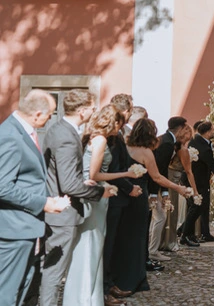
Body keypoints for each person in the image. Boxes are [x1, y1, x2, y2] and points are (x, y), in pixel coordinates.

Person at [63, 105, 142, 306]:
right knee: (91, 245)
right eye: (119, 123)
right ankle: (83, 297)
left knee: (94, 245)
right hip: (96, 195)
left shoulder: (93, 137)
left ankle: (88, 295)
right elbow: (94, 175)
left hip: (99, 195)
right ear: (113, 122)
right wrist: (126, 174)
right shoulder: (100, 140)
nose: (120, 127)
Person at [40, 90, 109, 306]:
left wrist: (81, 181)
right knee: (54, 273)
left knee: (51, 270)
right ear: (81, 111)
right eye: (91, 106)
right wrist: (99, 192)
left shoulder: (59, 129)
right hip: (63, 215)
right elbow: (68, 185)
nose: (94, 110)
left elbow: (65, 175)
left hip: (59, 209)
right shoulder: (67, 137)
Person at [0, 89, 68, 306]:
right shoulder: (10, 136)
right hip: (14, 229)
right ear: (38, 114)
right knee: (7, 291)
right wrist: (44, 203)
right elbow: (2, 186)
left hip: (27, 226)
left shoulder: (22, 131)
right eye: (50, 114)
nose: (50, 119)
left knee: (22, 286)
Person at [111, 119, 188, 294]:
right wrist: (178, 188)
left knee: (123, 238)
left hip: (123, 194)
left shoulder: (124, 148)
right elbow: (157, 177)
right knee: (138, 238)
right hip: (138, 198)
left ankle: (118, 277)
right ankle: (134, 279)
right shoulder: (146, 152)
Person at [103, 97, 147, 299]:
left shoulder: (119, 133)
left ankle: (110, 282)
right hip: (113, 196)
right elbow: (115, 168)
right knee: (108, 244)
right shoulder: (112, 136)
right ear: (127, 111)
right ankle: (105, 287)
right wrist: (129, 187)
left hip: (118, 196)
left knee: (113, 243)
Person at [149, 117, 189, 262]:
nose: (185, 132)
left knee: (158, 217)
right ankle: (152, 250)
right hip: (153, 185)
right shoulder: (166, 143)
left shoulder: (167, 140)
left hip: (157, 185)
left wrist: (164, 192)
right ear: (179, 129)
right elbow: (159, 169)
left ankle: (151, 249)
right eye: (185, 129)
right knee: (160, 217)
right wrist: (156, 193)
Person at [161, 124, 197, 252]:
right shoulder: (182, 149)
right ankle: (169, 241)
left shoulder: (176, 147)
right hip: (173, 181)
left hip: (172, 178)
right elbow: (189, 172)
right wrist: (195, 192)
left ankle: (164, 240)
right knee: (171, 211)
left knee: (167, 210)